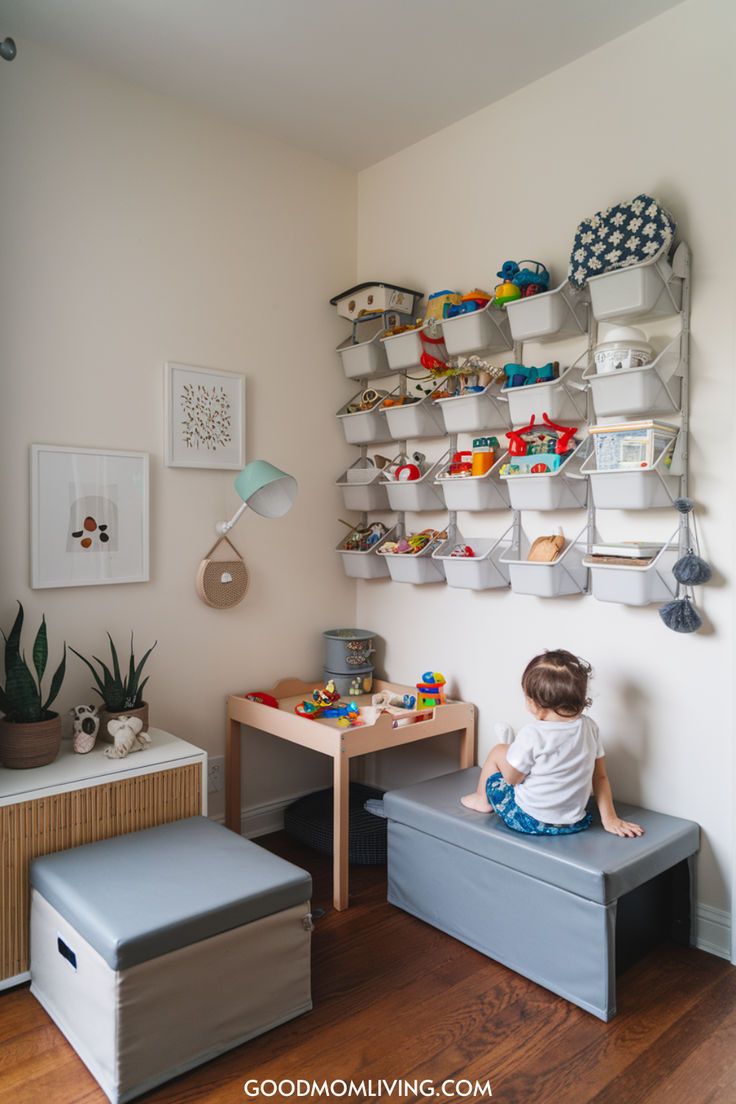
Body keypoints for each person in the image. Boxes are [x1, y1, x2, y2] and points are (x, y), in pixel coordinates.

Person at [461, 649, 644, 838]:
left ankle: (481, 800)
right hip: (573, 822)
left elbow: (512, 780)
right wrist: (610, 819)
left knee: (498, 751)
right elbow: (600, 778)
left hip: (529, 820)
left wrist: (510, 760)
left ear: (536, 707)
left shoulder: (532, 734)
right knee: (515, 756)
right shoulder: (590, 727)